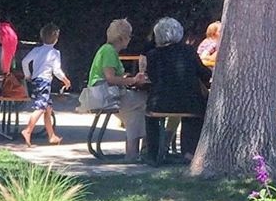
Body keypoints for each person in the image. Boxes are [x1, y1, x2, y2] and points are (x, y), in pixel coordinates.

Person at [144, 17, 210, 160]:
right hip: (189, 102)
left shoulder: (152, 55)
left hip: (159, 102)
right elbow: (204, 73)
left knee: (150, 116)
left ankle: (153, 154)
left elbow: (152, 78)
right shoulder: (189, 51)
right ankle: (189, 152)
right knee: (194, 114)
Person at [86, 18, 148, 161]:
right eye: (129, 35)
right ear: (122, 38)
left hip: (101, 95)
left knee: (134, 113)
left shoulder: (105, 49)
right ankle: (144, 148)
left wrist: (126, 79)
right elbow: (110, 78)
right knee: (146, 100)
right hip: (106, 96)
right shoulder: (109, 51)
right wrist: (133, 80)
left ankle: (132, 153)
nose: (130, 39)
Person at [20, 23, 71, 145]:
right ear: (56, 39)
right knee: (41, 107)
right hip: (45, 81)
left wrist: (27, 75)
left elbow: (25, 61)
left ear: (42, 37)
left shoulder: (36, 50)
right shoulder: (55, 53)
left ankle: (52, 136)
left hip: (35, 80)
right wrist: (65, 80)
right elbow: (57, 71)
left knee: (48, 108)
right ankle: (28, 130)